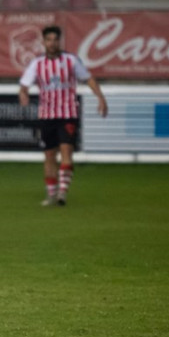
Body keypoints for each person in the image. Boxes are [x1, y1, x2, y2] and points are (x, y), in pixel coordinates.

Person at [18, 25, 107, 207]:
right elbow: (24, 84)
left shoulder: (71, 60)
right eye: (49, 40)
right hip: (47, 115)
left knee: (66, 151)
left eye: (55, 39)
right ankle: (51, 194)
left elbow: (88, 78)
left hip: (68, 113)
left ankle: (62, 193)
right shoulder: (37, 63)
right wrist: (23, 94)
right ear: (43, 42)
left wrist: (100, 98)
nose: (52, 43)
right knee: (49, 155)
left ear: (60, 41)